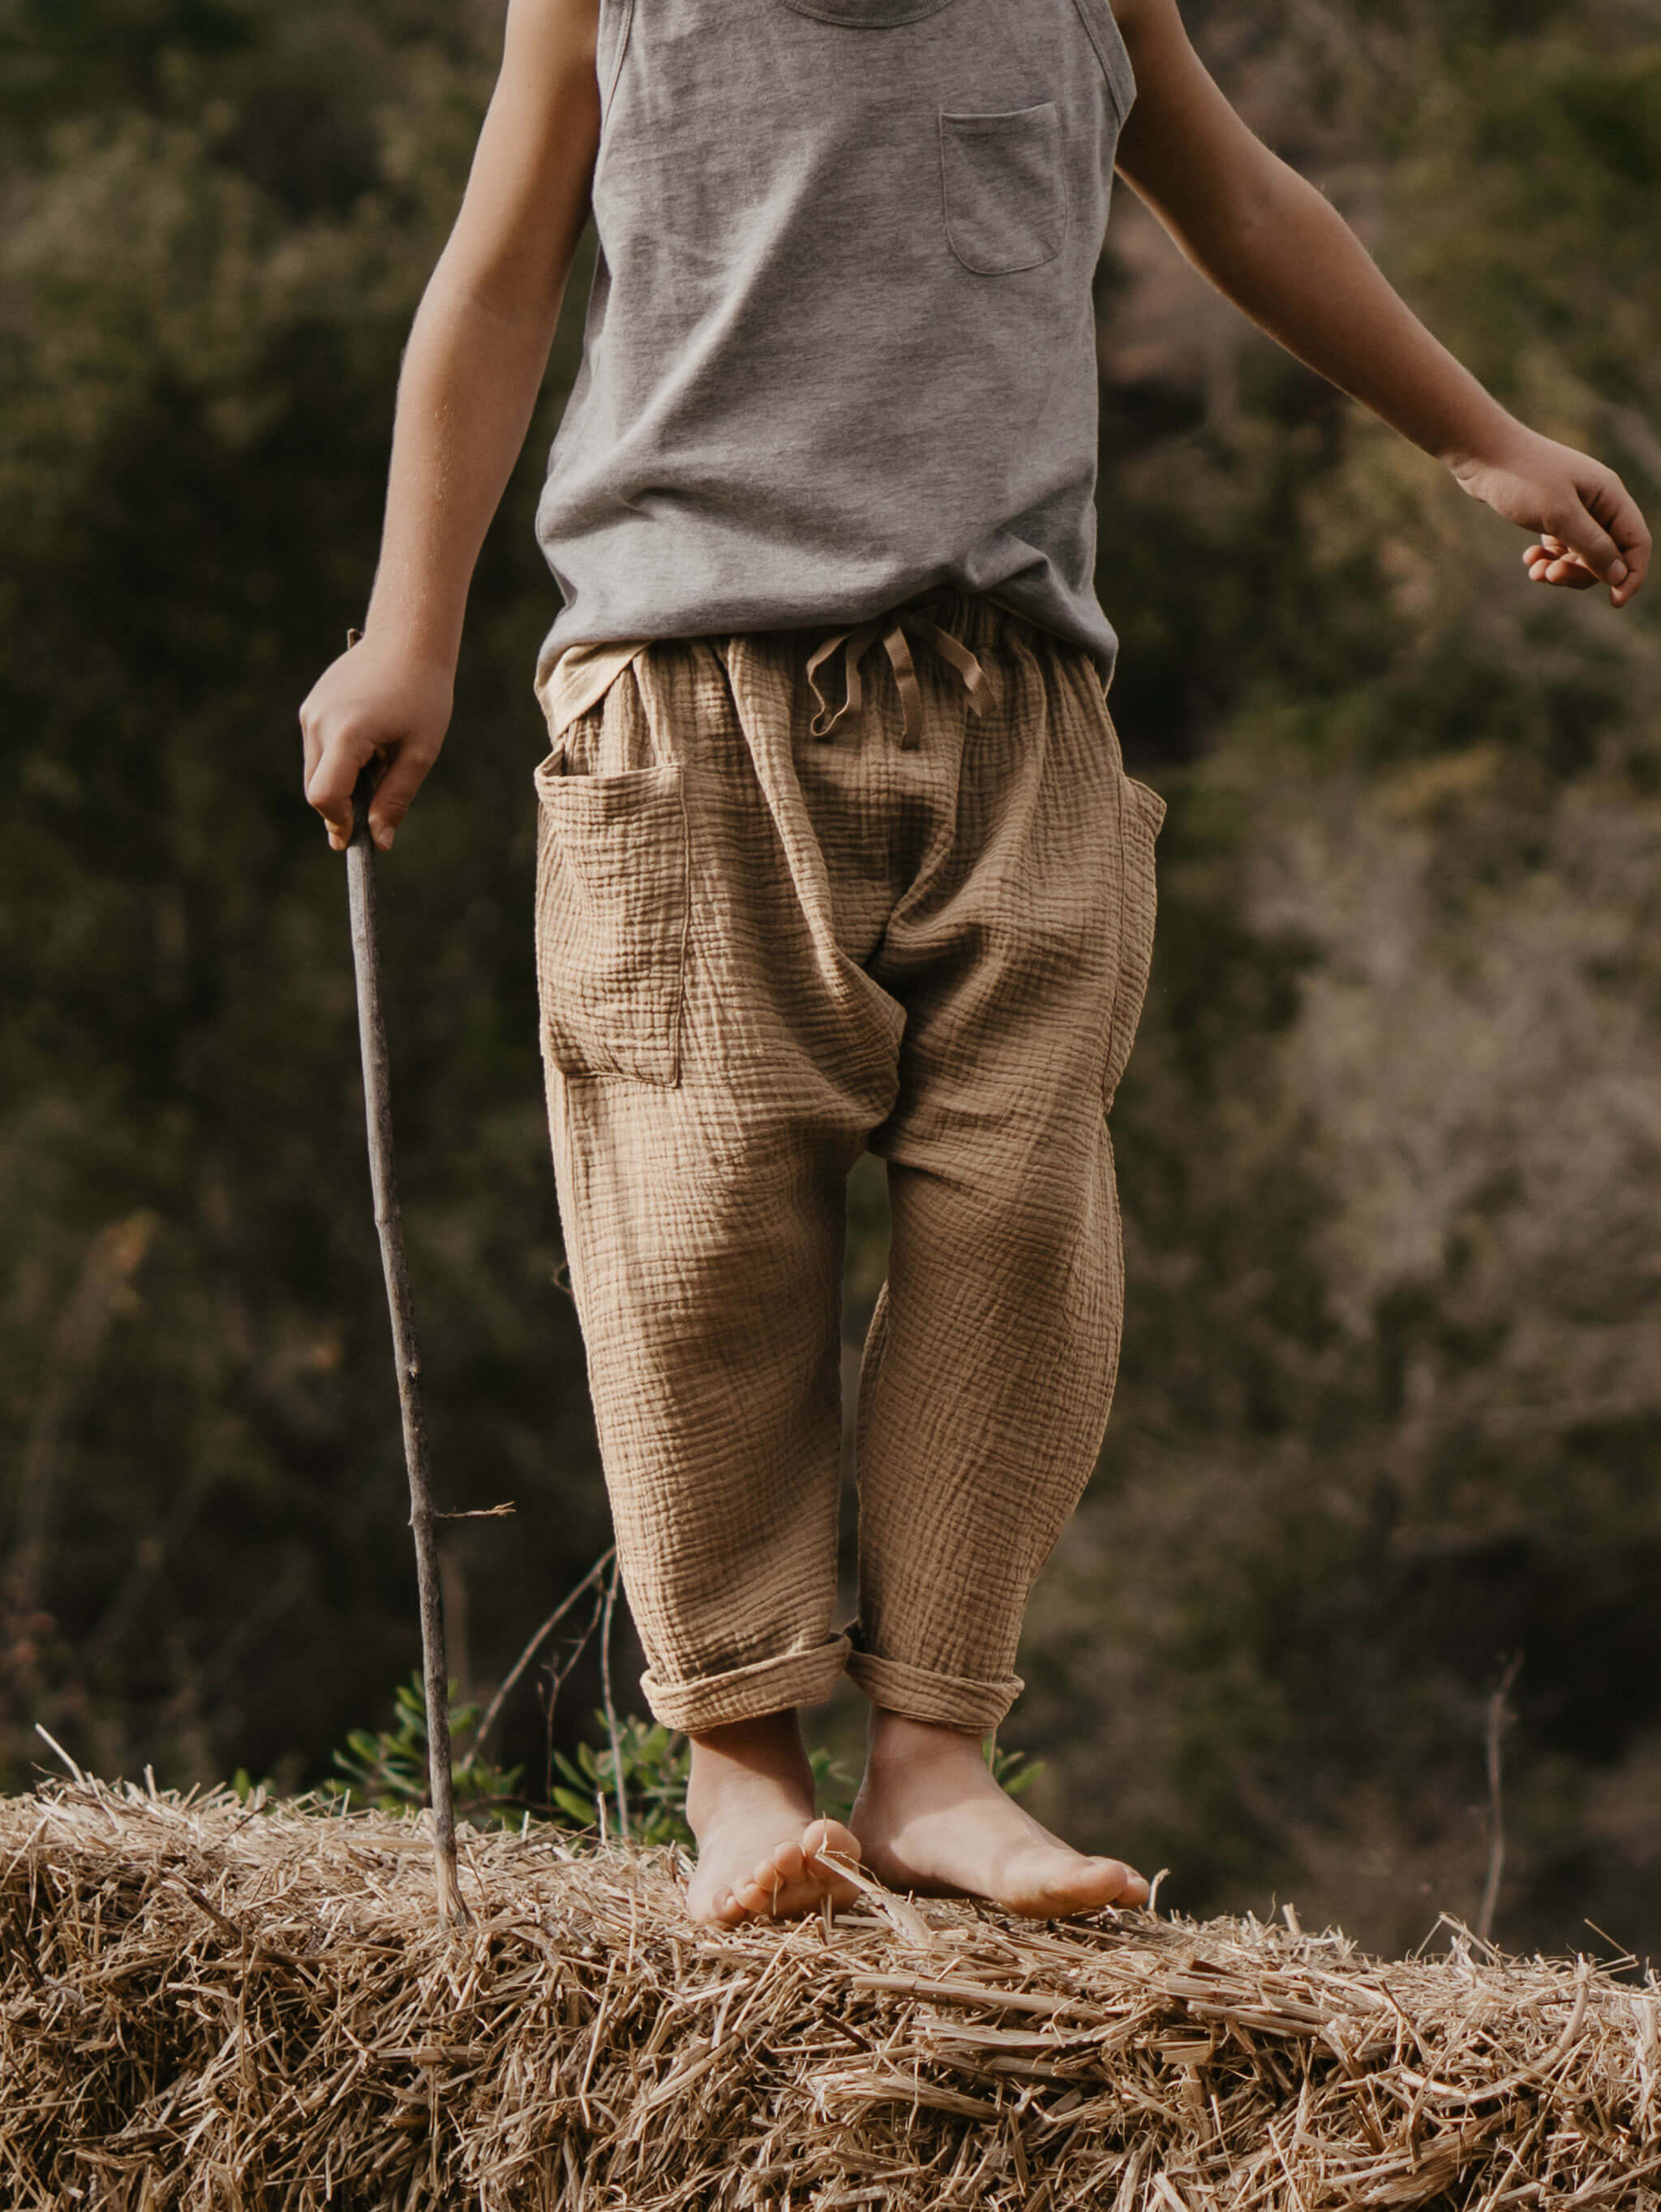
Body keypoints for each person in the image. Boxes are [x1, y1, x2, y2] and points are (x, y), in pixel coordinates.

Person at [299, 0, 1650, 1930]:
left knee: (1022, 1212)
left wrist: (1481, 437)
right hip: (689, 693)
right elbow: (501, 275)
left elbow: (1245, 201)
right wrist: (404, 631)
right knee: (696, 1226)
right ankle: (744, 1763)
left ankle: (936, 1752)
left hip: (1016, 695)